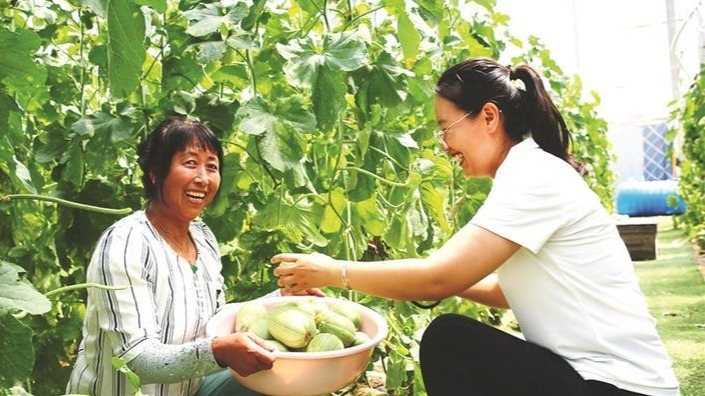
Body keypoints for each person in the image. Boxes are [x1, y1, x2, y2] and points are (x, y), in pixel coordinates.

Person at [271, 58, 680, 396]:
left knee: (449, 341)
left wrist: (332, 272)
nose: (444, 144)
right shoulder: (527, 172)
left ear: (488, 116)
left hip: (618, 386)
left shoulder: (533, 177)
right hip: (593, 380)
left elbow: (436, 279)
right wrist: (411, 273)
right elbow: (505, 291)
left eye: (445, 128)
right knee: (456, 338)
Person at [66, 118, 322, 396]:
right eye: (190, 163)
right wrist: (218, 353)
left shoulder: (202, 237)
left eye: (211, 166)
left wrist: (280, 301)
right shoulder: (126, 243)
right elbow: (136, 359)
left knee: (281, 380)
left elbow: (213, 322)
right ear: (155, 172)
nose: (202, 178)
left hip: (191, 390)